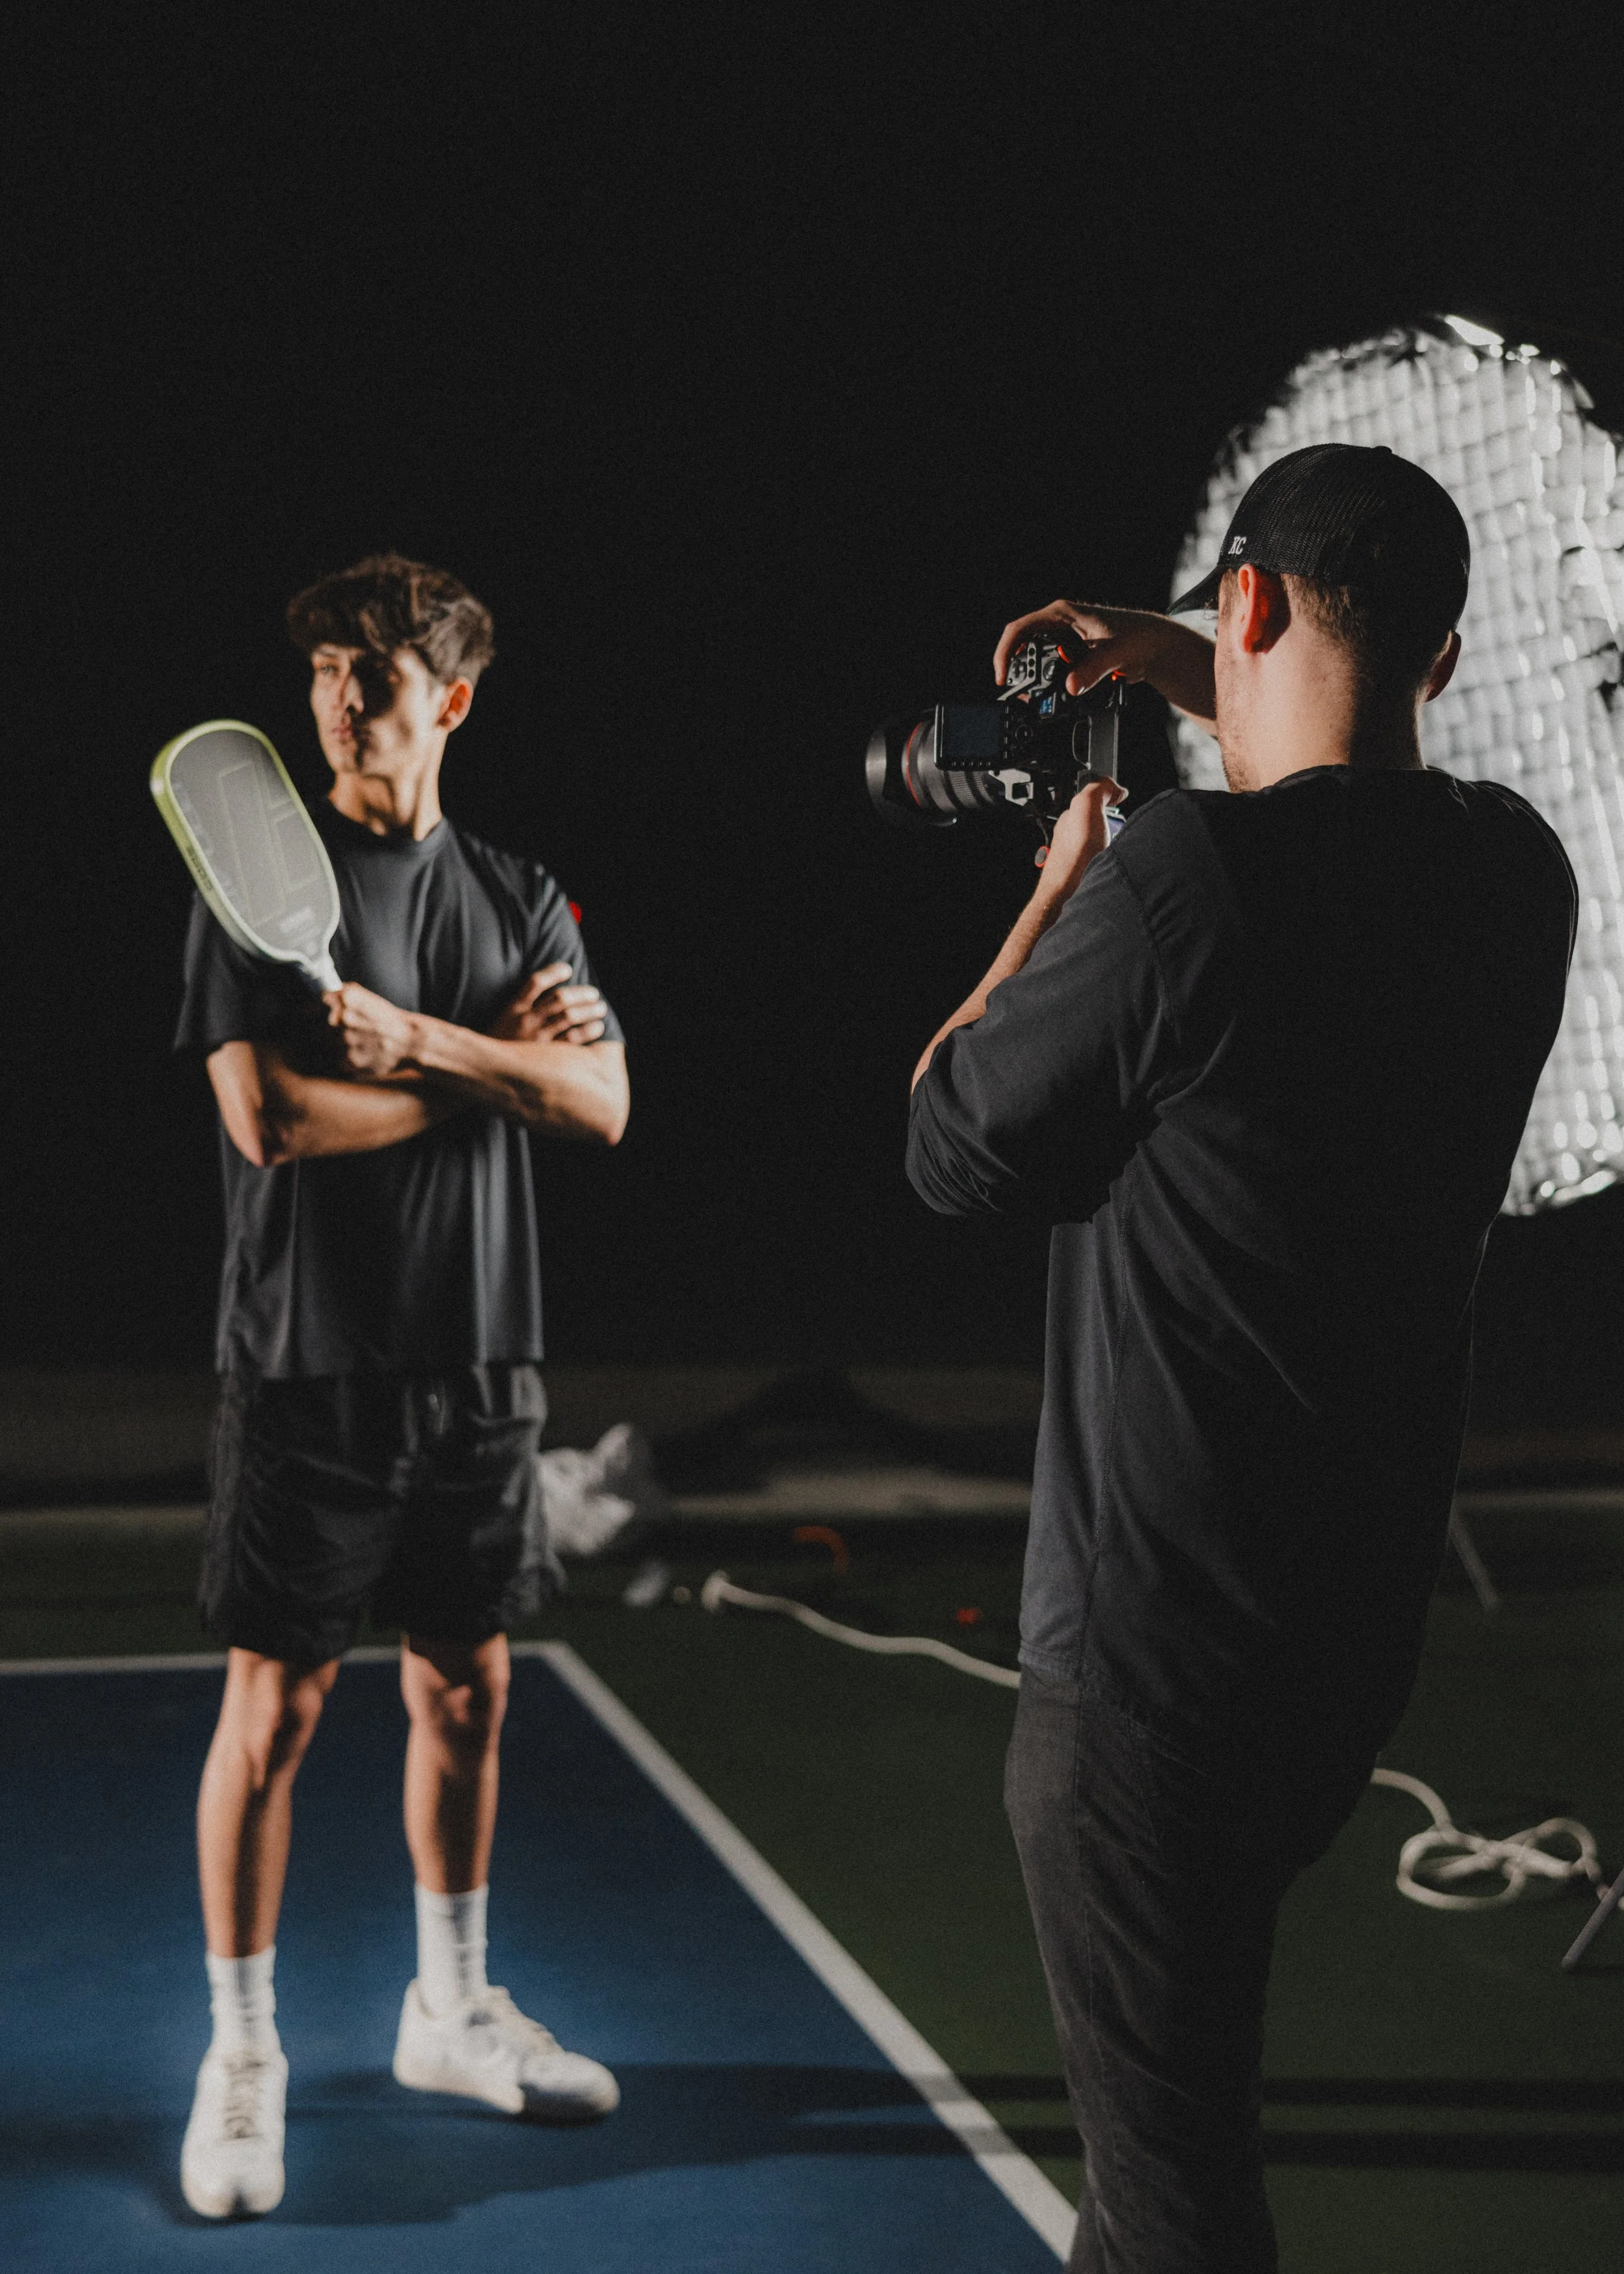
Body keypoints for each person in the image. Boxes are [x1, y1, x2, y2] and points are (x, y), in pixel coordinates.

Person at [906, 446, 1576, 2273]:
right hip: (1331, 1648)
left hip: (1145, 1662)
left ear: (1254, 601)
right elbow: (1337, 791)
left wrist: (1059, 880)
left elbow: (951, 1137)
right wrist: (1182, 652)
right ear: (1439, 661)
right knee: (1170, 2149)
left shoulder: (1182, 879)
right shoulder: (1515, 882)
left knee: (1164, 2207)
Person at [173, 554, 629, 2219]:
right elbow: (274, 1122)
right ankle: (240, 2055)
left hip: (483, 1353)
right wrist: (491, 1077)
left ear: (449, 698)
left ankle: (448, 2007)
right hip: (310, 1360)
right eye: (322, 673)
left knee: (466, 1692)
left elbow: (603, 1101)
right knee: (274, 1714)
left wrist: (432, 1049)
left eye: (372, 673)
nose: (338, 699)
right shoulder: (247, 891)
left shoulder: (521, 893)